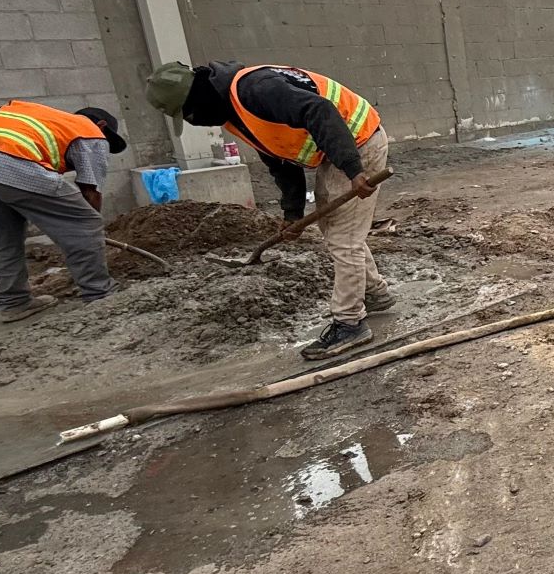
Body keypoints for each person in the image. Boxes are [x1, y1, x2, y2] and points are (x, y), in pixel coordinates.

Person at [144, 61, 392, 360]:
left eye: (191, 114)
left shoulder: (255, 90)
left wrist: (353, 170)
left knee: (344, 238)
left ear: (197, 97)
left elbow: (321, 111)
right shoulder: (235, 112)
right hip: (338, 147)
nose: (197, 122)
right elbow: (281, 160)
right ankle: (376, 293)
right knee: (340, 232)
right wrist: (292, 215)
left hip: (358, 142)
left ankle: (350, 323)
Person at [0, 100, 127, 322]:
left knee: (4, 232)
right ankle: (101, 294)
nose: (105, 144)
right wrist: (86, 232)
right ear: (102, 125)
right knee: (86, 222)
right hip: (11, 160)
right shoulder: (90, 132)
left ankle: (14, 302)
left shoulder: (28, 114)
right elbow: (90, 191)